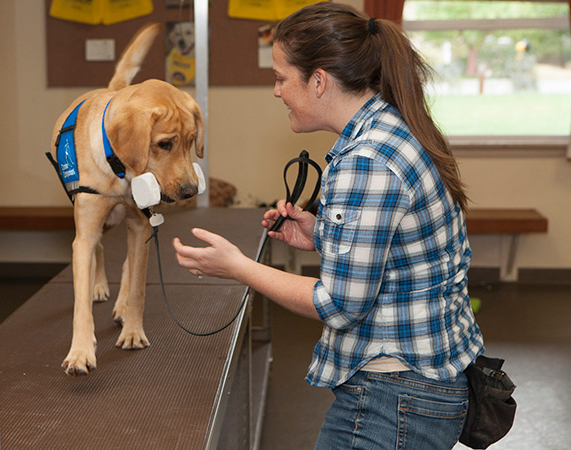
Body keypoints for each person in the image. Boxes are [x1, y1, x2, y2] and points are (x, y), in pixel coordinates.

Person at [172, 3, 484, 449]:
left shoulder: (365, 161)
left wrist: (239, 268)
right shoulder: (394, 127)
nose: (276, 90)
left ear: (318, 81)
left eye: (281, 77)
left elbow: (340, 304)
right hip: (424, 383)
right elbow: (404, 251)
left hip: (393, 397)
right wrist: (321, 234)